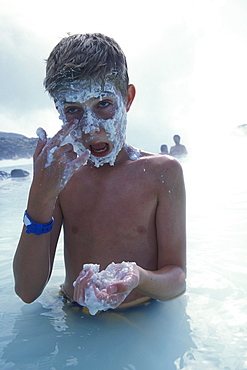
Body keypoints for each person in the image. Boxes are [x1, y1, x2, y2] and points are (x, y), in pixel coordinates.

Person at [13, 33, 186, 314]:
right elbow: (27, 291)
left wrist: (138, 278)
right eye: (73, 110)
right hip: (74, 314)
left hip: (140, 314)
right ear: (58, 109)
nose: (90, 127)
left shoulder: (162, 173)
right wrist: (40, 196)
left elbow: (177, 278)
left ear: (127, 98)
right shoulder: (62, 178)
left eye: (103, 104)